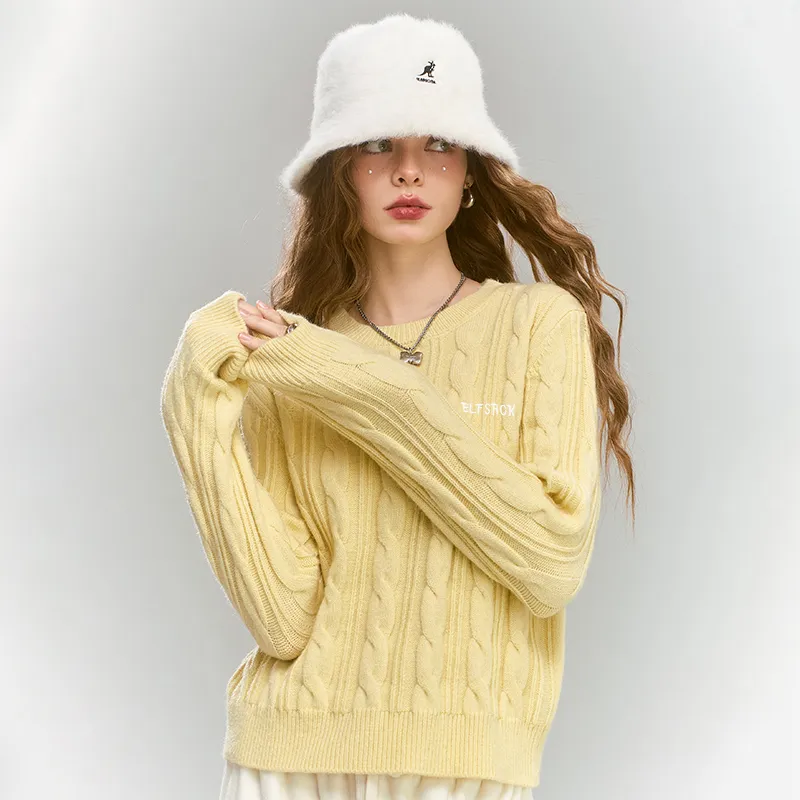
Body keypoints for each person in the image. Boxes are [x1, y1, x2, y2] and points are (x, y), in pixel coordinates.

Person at [159, 12, 635, 800]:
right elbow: (283, 619)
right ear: (339, 170)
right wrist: (195, 410)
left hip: (465, 764)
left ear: (470, 171)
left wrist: (353, 380)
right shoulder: (291, 361)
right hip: (285, 759)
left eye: (438, 143)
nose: (409, 172)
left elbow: (550, 562)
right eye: (378, 144)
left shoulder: (535, 324)